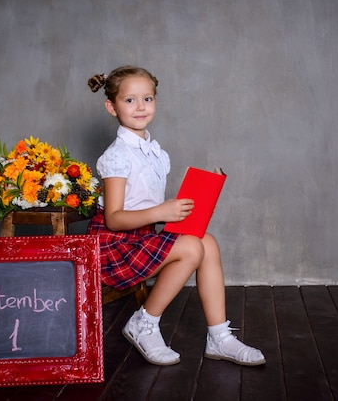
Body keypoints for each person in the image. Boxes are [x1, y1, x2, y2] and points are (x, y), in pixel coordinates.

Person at [87, 65, 265, 367]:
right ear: (111, 106)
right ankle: (144, 323)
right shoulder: (117, 155)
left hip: (141, 237)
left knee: (205, 241)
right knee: (193, 246)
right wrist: (161, 211)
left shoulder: (156, 153)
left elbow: (150, 209)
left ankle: (219, 336)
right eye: (129, 100)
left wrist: (191, 206)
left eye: (148, 99)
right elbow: (114, 219)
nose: (140, 107)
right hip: (113, 245)